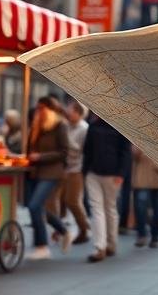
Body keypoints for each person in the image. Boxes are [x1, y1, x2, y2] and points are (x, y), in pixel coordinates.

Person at [82, 113, 130, 262]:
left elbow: (125, 152)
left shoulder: (119, 125)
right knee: (97, 208)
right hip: (94, 173)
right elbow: (87, 150)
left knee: (109, 208)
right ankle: (100, 246)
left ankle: (111, 243)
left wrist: (121, 174)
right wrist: (85, 171)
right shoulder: (93, 125)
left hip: (112, 174)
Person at [25, 96, 69, 260]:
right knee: (35, 206)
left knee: (34, 205)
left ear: (50, 109)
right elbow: (30, 149)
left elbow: (64, 152)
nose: (39, 111)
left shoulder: (60, 125)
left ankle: (42, 246)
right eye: (37, 108)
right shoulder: (36, 126)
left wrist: (41, 157)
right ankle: (63, 230)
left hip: (53, 172)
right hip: (37, 172)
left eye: (42, 108)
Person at [64, 101, 90, 244]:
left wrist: (65, 140)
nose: (69, 113)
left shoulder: (84, 128)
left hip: (77, 168)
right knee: (68, 200)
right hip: (67, 167)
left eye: (71, 111)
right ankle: (83, 227)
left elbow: (80, 149)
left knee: (73, 200)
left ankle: (84, 228)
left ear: (79, 113)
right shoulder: (68, 126)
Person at [132, 144, 158, 249]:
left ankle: (155, 237)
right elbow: (135, 154)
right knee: (140, 208)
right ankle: (142, 234)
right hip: (142, 177)